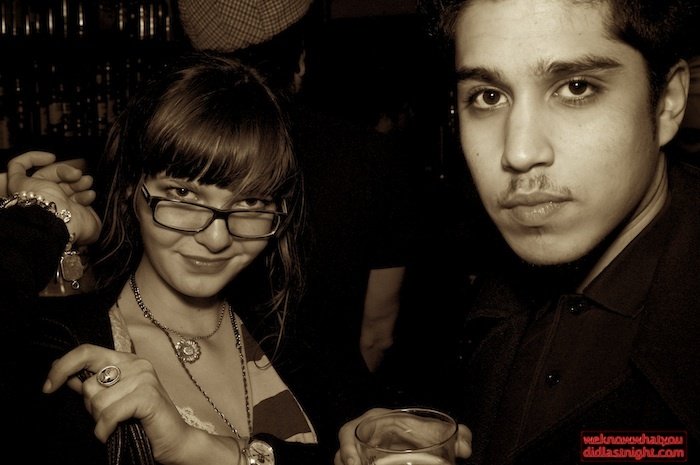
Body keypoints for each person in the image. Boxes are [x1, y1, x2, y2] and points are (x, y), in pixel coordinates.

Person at [336, 0, 700, 464]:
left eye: (576, 87)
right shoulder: (479, 290)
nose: (519, 151)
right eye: (488, 97)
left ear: (667, 102)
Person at [2, 53, 321, 465]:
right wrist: (42, 220)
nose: (216, 238)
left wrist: (201, 449)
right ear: (130, 189)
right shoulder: (67, 352)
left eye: (252, 201)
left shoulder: (296, 330)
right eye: (183, 193)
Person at [177, 0, 418, 379]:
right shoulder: (373, 157)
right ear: (300, 61)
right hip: (335, 401)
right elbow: (377, 333)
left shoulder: (173, 159)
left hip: (202, 391)